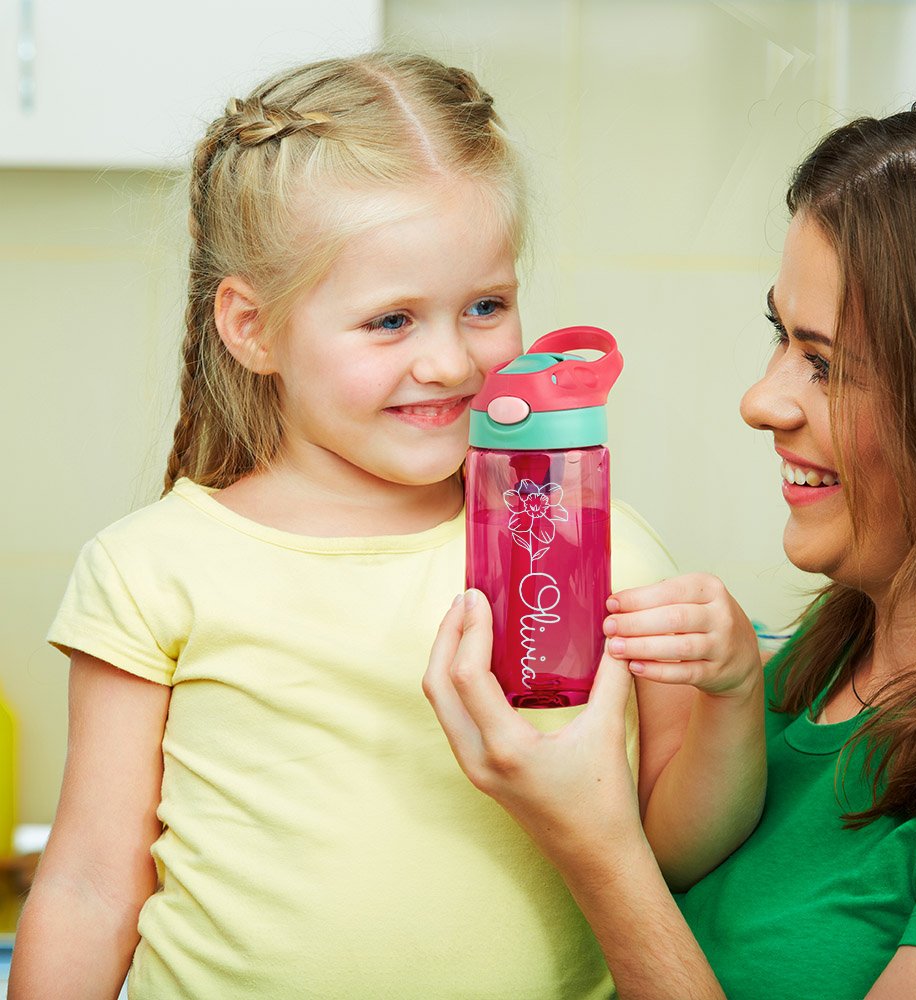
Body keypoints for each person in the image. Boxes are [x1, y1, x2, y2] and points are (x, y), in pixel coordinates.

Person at [10, 53, 766, 1000]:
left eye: (485, 306)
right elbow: (87, 885)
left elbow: (671, 851)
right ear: (252, 327)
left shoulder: (583, 550)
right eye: (391, 321)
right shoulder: (155, 569)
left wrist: (734, 692)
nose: (450, 361)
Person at [424, 87, 916, 1000]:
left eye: (825, 363)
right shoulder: (803, 670)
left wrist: (595, 846)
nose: (760, 401)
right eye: (780, 335)